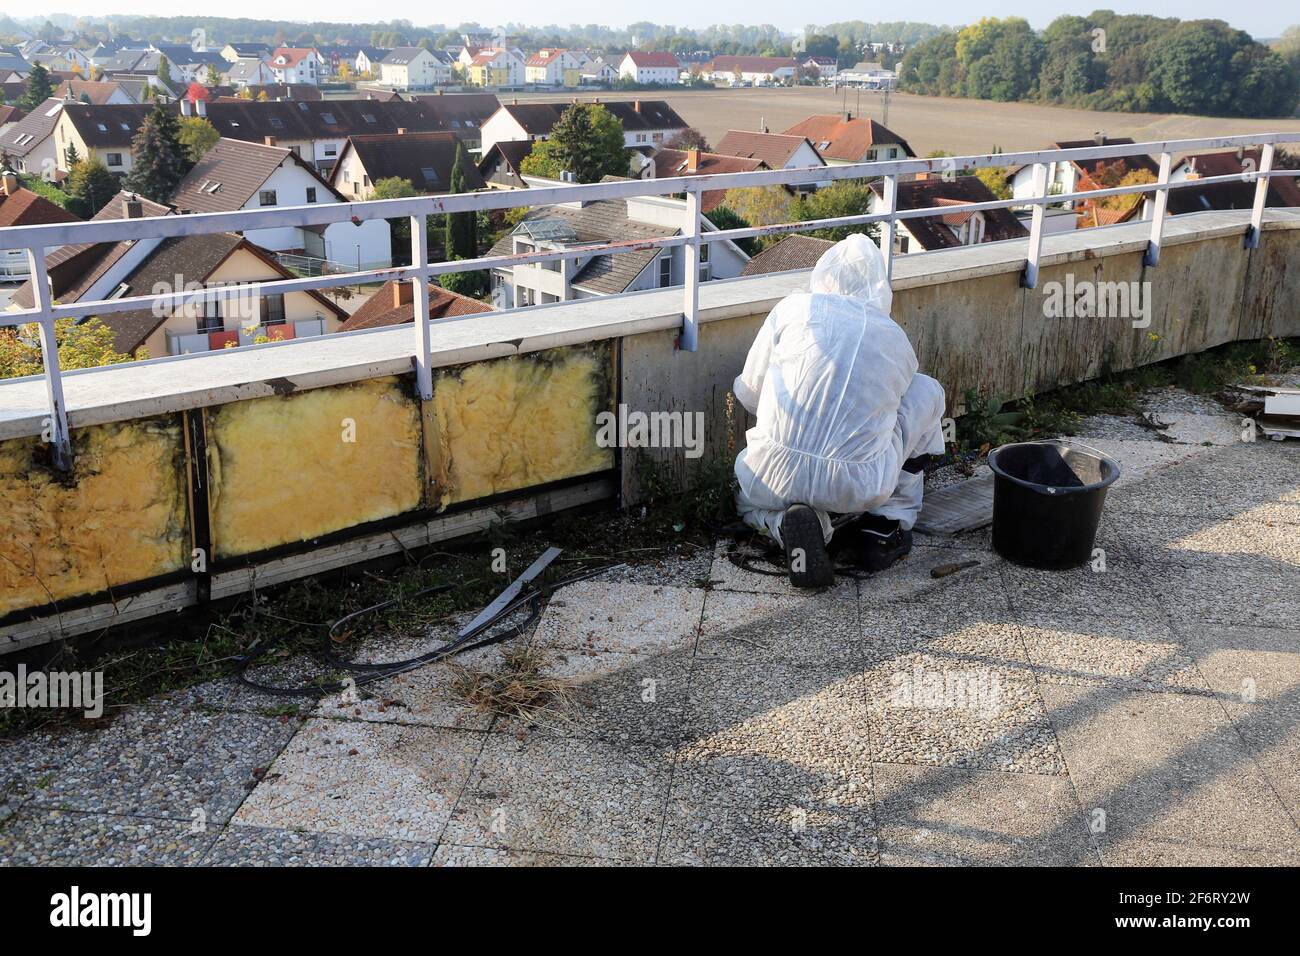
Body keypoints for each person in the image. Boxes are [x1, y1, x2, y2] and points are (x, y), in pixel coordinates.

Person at [732, 233, 946, 588]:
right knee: (927, 390)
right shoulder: (895, 340)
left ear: (823, 276)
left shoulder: (792, 308)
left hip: (768, 476)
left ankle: (787, 527)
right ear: (880, 287)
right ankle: (887, 523)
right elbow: (891, 411)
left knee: (744, 499)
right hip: (859, 486)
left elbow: (750, 394)